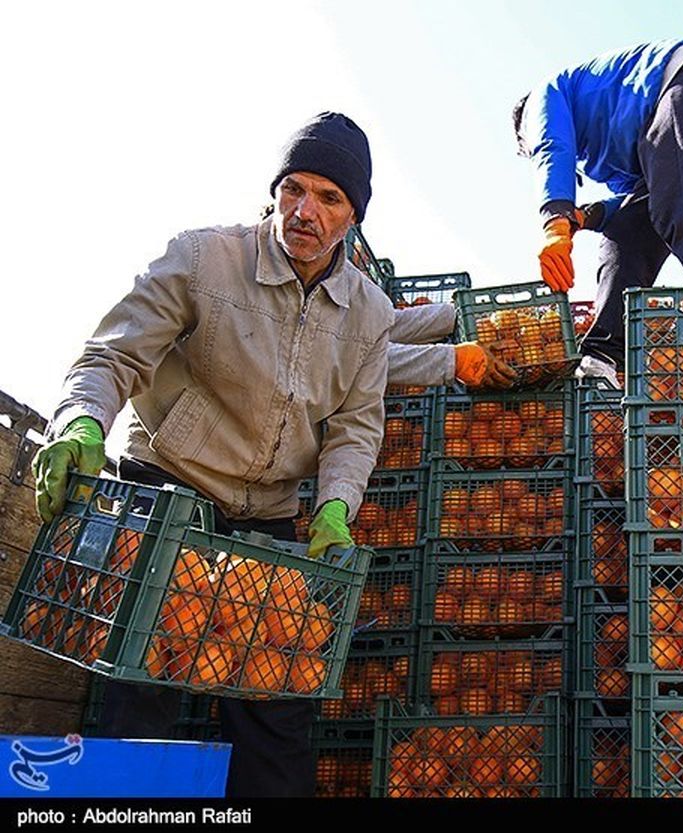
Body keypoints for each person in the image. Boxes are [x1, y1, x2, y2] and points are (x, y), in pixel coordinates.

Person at [32, 111, 512, 797]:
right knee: (143, 686)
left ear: (353, 216)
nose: (304, 210)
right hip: (171, 490)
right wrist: (80, 421)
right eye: (294, 188)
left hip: (267, 516)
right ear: (275, 190)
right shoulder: (203, 258)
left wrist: (336, 510)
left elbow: (355, 425)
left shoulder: (369, 313)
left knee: (276, 706)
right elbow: (114, 352)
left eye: (328, 197)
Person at [514, 38, 683, 383]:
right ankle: (600, 355)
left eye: (527, 148)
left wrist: (555, 223)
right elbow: (639, 202)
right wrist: (587, 217)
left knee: (681, 207)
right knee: (626, 233)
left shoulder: (545, 96)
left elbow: (552, 148)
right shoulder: (610, 144)